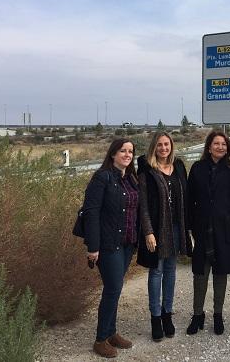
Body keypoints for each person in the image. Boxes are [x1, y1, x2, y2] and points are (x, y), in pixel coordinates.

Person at [186, 130, 230, 335]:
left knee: (221, 272)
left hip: (226, 228)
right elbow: (189, 200)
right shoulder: (197, 168)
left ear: (228, 147)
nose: (220, 147)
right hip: (202, 229)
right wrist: (189, 226)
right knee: (200, 273)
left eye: (223, 144)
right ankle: (197, 315)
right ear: (209, 146)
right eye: (216, 143)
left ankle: (218, 315)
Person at [83, 138, 139, 358]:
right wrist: (93, 247)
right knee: (112, 289)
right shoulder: (102, 178)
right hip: (108, 245)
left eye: (130, 151)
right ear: (113, 154)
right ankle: (100, 340)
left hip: (127, 243)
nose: (127, 154)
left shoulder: (130, 179)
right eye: (123, 151)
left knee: (115, 289)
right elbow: (91, 213)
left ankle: (111, 331)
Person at [137, 131, 191, 342]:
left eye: (166, 144)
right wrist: (148, 232)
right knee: (156, 271)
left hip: (176, 228)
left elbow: (185, 198)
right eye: (159, 145)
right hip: (157, 230)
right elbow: (143, 206)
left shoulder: (178, 167)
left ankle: (167, 313)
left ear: (171, 146)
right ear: (154, 147)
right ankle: (155, 317)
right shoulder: (147, 170)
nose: (163, 148)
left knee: (170, 270)